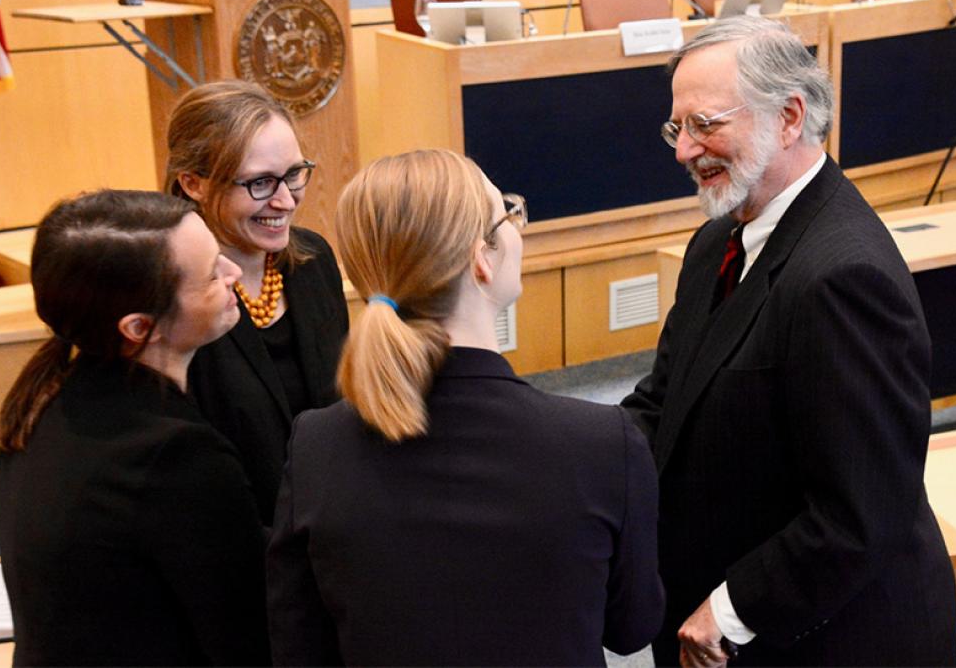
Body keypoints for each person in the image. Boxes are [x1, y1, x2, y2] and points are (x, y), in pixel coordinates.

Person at [621, 17, 956, 666]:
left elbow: (859, 514)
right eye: (676, 127)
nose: (683, 152)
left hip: (827, 637)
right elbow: (664, 404)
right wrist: (559, 469)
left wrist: (731, 609)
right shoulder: (713, 243)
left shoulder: (844, 278)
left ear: (789, 116)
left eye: (705, 124)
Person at [266, 149, 665, 666]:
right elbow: (632, 629)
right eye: (508, 214)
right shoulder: (602, 442)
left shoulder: (316, 446)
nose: (518, 227)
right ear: (483, 257)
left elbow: (299, 645)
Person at [0, 190, 270, 666]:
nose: (233, 274)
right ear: (140, 327)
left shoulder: (43, 397)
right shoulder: (175, 455)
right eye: (210, 274)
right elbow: (249, 640)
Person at [164, 80, 350, 525]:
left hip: (330, 524)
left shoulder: (314, 260)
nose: (286, 200)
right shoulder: (172, 296)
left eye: (293, 174)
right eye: (261, 182)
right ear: (193, 183)